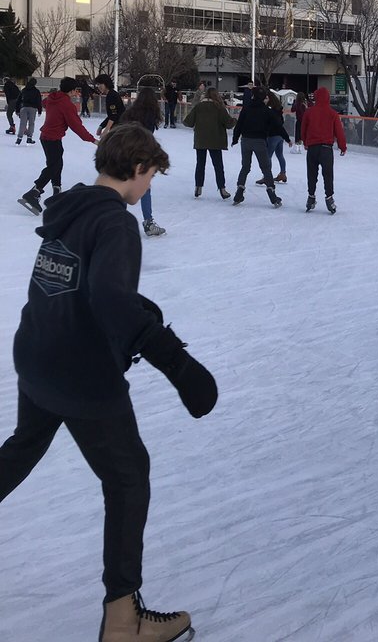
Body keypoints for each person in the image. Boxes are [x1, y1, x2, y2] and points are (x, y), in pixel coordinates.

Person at [0, 122, 217, 641]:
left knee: (24, 446)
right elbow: (109, 300)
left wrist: (139, 307)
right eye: (151, 176)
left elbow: (75, 283)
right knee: (128, 477)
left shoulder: (71, 208)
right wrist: (177, 363)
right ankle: (123, 619)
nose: (149, 185)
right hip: (81, 372)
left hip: (36, 352)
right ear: (137, 168)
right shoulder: (116, 222)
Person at [18, 77, 98, 215]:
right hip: (53, 138)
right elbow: (77, 126)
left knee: (56, 164)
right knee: (54, 166)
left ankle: (56, 192)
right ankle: (34, 192)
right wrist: (93, 140)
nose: (77, 93)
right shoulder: (67, 105)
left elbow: (44, 103)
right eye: (76, 91)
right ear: (72, 90)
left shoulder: (52, 97)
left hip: (46, 137)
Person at [121, 87, 167, 236]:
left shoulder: (130, 113)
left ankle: (119, 221)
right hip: (142, 154)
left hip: (126, 152)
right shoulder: (150, 115)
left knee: (124, 185)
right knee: (145, 187)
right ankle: (148, 222)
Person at [231, 87, 282, 207]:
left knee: (245, 167)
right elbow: (278, 124)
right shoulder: (266, 110)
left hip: (246, 140)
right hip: (260, 141)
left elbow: (239, 125)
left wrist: (235, 139)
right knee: (266, 168)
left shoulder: (246, 108)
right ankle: (272, 194)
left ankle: (239, 191)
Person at [183, 87, 235, 199]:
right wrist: (234, 120)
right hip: (216, 140)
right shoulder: (219, 108)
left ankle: (198, 187)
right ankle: (222, 189)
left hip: (200, 140)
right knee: (218, 165)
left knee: (200, 164)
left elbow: (188, 122)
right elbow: (229, 124)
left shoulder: (199, 106)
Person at [301, 86, 346, 213]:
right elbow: (339, 132)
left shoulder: (309, 112)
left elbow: (303, 128)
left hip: (312, 148)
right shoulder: (332, 113)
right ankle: (329, 198)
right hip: (326, 149)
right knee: (328, 174)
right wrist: (342, 146)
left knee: (311, 173)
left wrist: (305, 142)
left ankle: (311, 197)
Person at [256, 91, 292, 185]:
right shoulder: (278, 110)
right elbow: (281, 123)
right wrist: (286, 138)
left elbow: (269, 124)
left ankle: (267, 176)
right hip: (280, 136)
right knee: (280, 155)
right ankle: (283, 173)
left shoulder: (270, 111)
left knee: (268, 156)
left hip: (272, 136)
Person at [14, 77, 43, 145]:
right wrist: (39, 110)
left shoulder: (24, 90)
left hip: (24, 107)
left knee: (23, 123)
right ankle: (29, 138)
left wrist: (17, 110)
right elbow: (39, 101)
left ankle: (19, 138)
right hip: (33, 108)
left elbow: (18, 100)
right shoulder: (36, 91)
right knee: (31, 123)